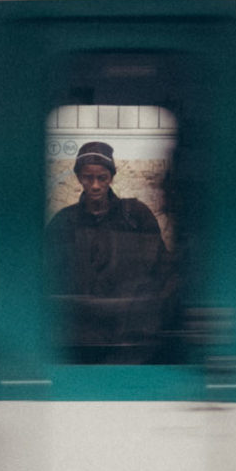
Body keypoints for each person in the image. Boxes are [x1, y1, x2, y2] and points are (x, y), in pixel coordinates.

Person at [44, 139, 176, 364]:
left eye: (102, 178)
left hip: (129, 339)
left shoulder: (136, 217)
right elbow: (47, 278)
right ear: (78, 178)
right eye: (88, 177)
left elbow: (162, 271)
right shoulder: (62, 223)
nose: (95, 185)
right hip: (77, 339)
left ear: (111, 178)